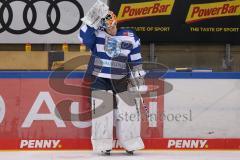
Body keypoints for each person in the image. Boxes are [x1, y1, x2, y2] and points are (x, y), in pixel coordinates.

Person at [79, 10, 146, 155]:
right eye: (107, 27)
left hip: (122, 78)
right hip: (99, 78)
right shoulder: (96, 35)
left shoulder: (130, 35)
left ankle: (131, 143)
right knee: (102, 112)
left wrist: (139, 79)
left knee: (129, 111)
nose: (110, 29)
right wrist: (91, 21)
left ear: (116, 22)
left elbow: (136, 59)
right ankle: (103, 145)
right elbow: (82, 37)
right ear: (102, 27)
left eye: (112, 25)